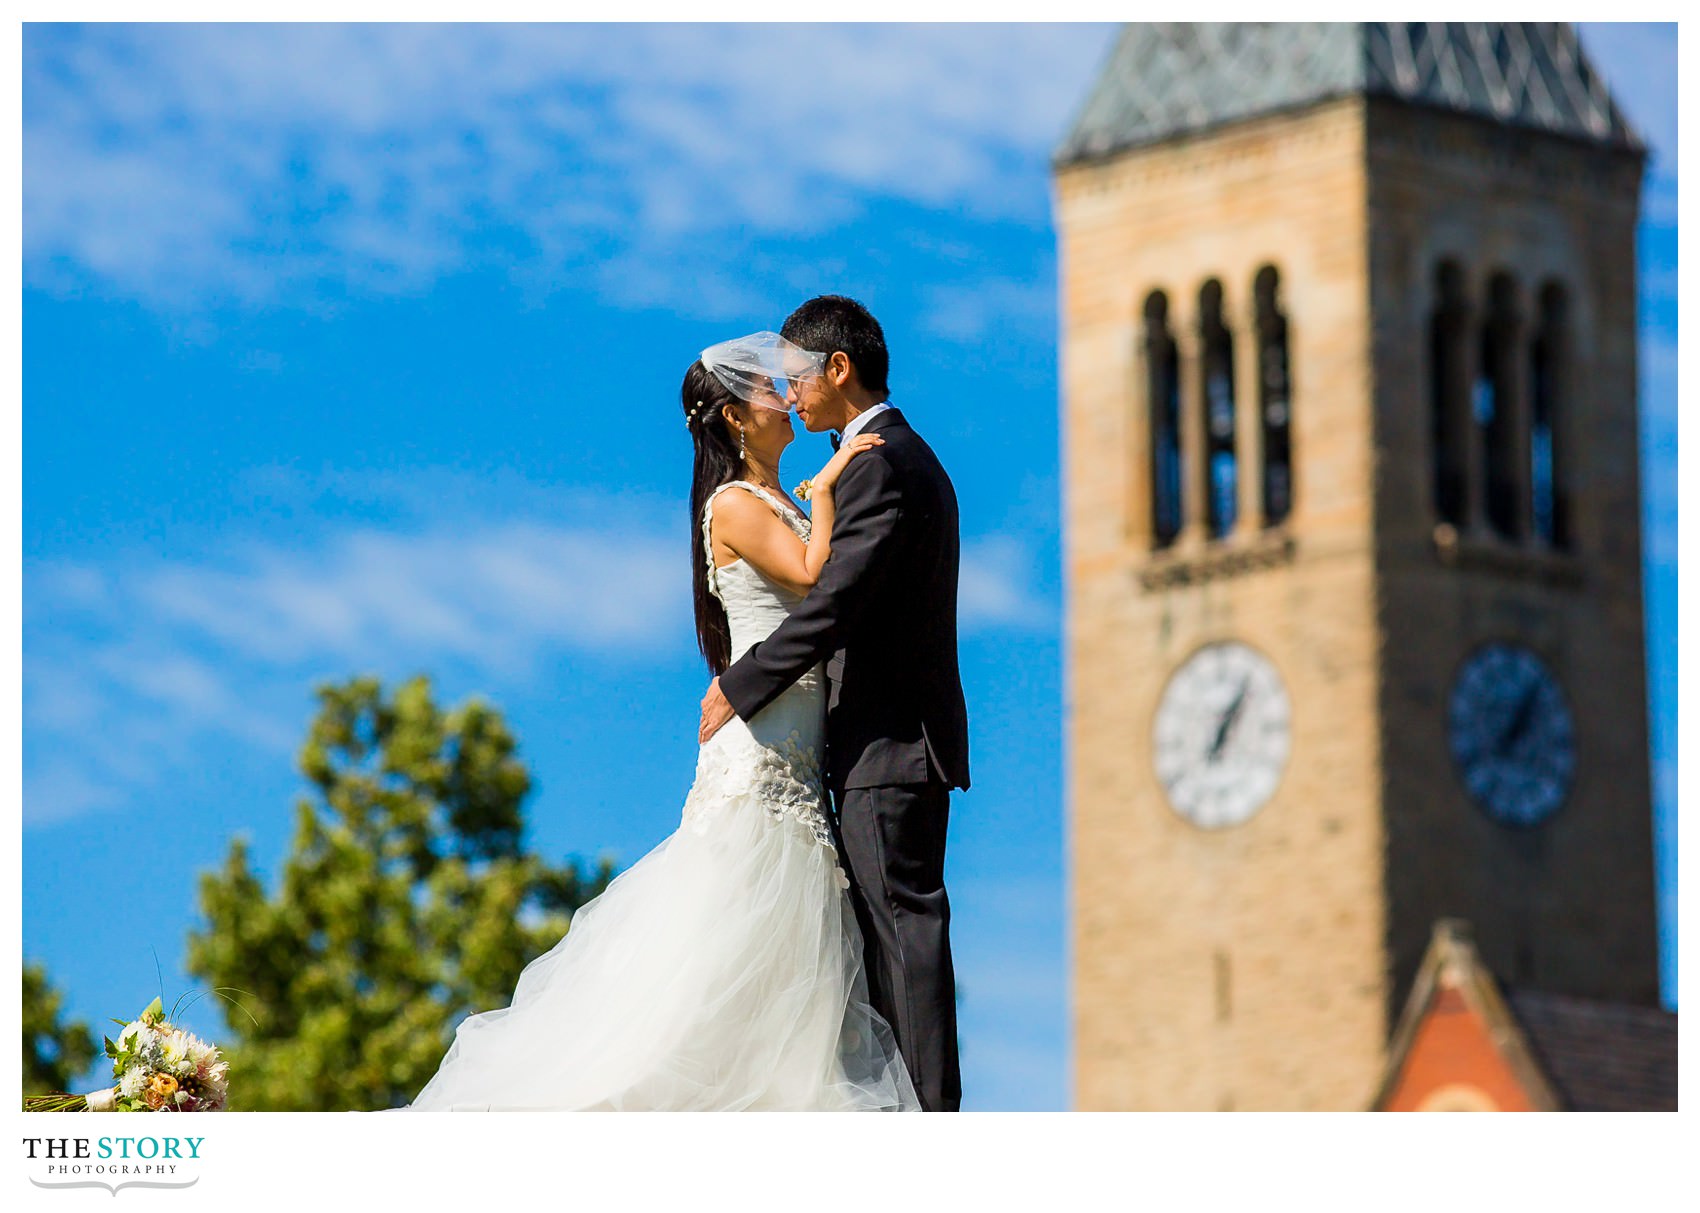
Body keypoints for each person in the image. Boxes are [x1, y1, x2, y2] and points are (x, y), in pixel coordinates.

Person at [385, 330, 918, 1111]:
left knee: (783, 949)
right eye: (771, 393)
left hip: (798, 748)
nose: (786, 401)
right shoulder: (734, 503)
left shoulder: (772, 499)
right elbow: (816, 578)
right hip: (762, 750)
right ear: (737, 418)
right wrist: (834, 482)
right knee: (742, 920)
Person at [699, 295, 970, 1113]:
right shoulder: (876, 458)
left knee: (901, 939)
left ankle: (926, 1125)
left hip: (887, 747)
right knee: (882, 949)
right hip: (871, 749)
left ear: (838, 371)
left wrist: (740, 686)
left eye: (796, 382)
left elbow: (836, 602)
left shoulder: (883, 461)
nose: (791, 398)